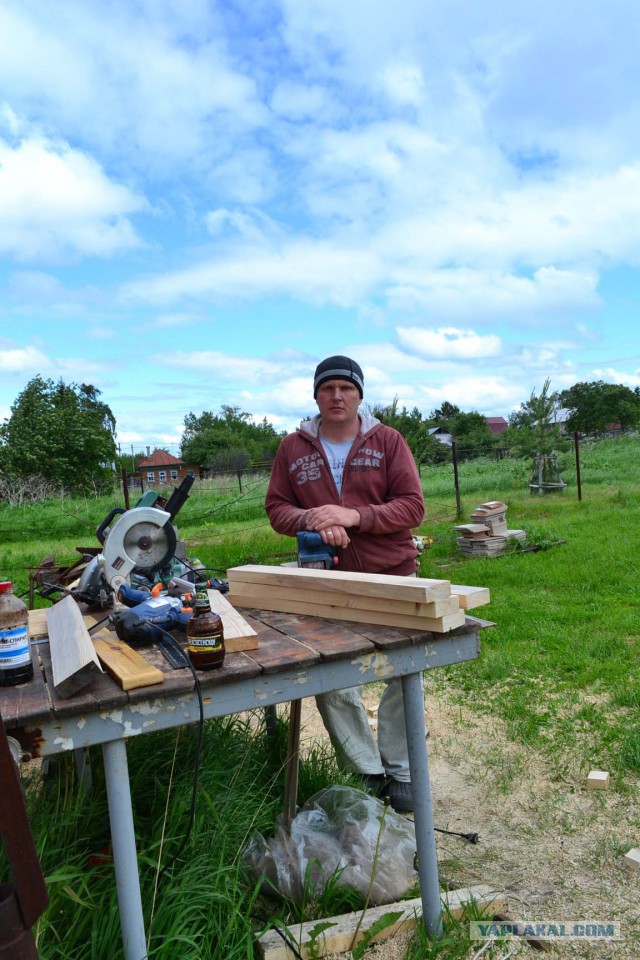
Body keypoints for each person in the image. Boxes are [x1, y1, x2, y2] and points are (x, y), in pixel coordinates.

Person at [265, 355, 425, 812]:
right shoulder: (293, 448)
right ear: (316, 395)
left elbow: (413, 507)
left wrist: (353, 516)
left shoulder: (388, 441)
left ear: (359, 395)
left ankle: (403, 770)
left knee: (405, 671)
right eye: (328, 388)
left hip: (392, 572)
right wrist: (314, 522)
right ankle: (365, 769)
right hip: (326, 580)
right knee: (332, 677)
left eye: (346, 388)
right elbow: (277, 508)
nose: (337, 396)